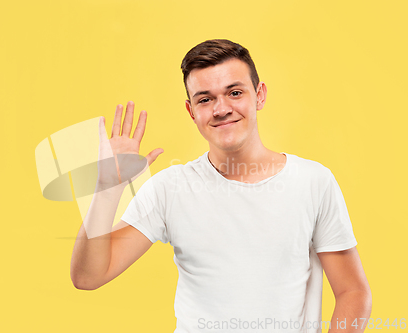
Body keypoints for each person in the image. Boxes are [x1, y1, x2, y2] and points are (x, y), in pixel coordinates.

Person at [70, 39, 372, 332]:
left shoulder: (313, 182)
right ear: (192, 111)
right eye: (205, 99)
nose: (221, 108)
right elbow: (87, 277)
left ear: (260, 95)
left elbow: (352, 292)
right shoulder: (170, 188)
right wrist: (106, 189)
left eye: (235, 92)